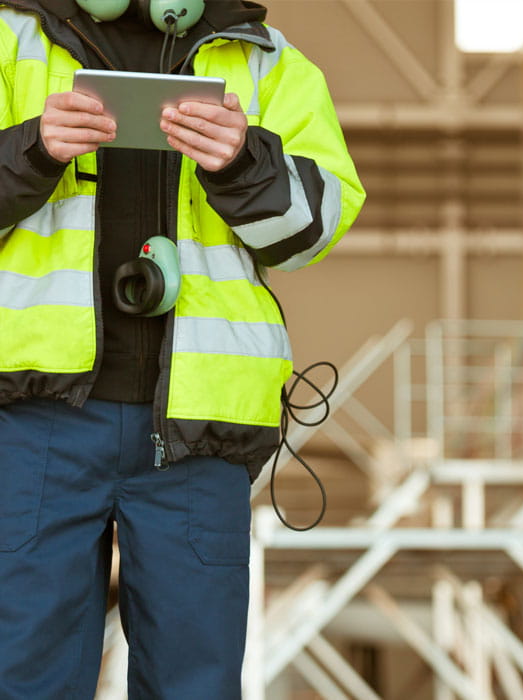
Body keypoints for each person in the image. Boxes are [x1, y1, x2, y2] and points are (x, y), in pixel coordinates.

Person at [0, 0, 365, 697]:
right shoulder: (6, 39)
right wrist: (33, 147)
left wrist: (242, 162)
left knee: (194, 685)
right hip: (34, 419)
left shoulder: (267, 62)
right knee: (22, 677)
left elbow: (316, 228)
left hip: (198, 432)